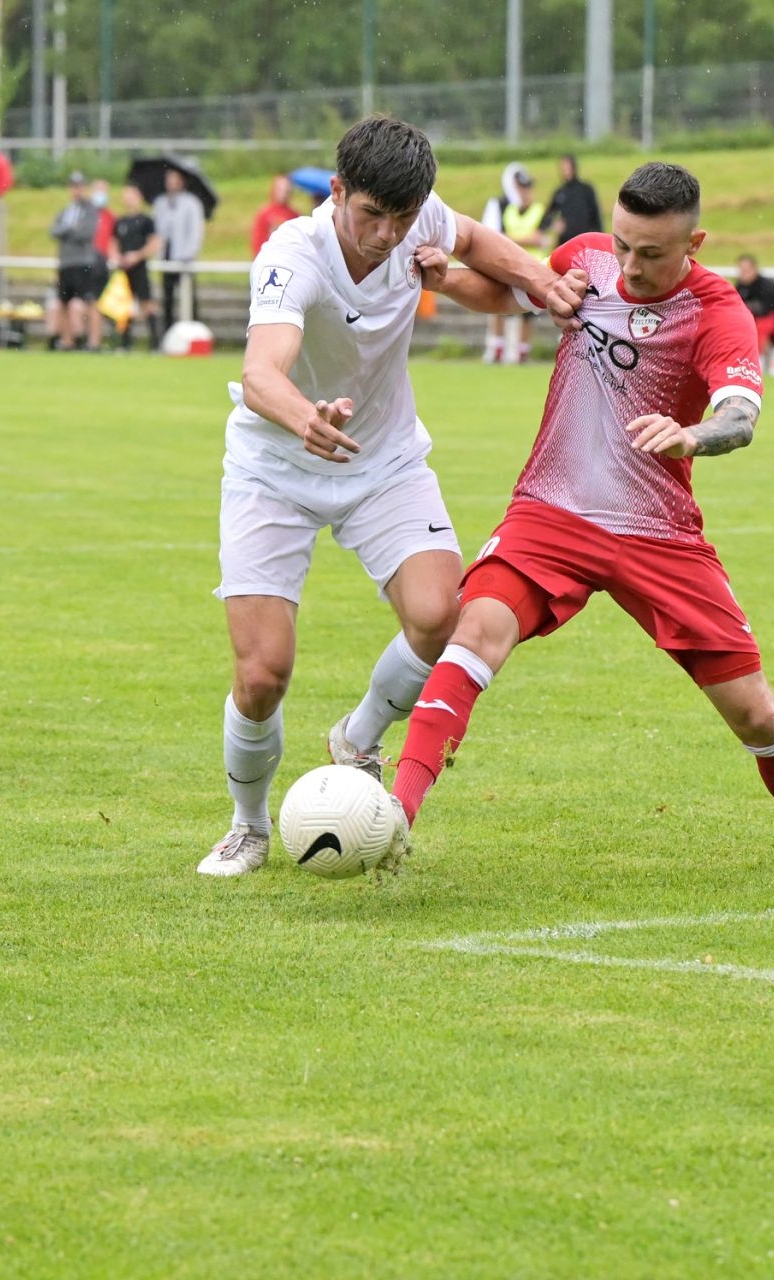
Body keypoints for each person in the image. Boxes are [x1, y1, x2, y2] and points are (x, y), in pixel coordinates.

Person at [387, 161, 774, 875]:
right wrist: (447, 280)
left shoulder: (718, 312)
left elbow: (740, 416)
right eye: (623, 244)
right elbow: (515, 295)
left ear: (694, 243)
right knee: (473, 631)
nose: (630, 267)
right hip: (552, 510)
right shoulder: (588, 258)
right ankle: (394, 818)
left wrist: (692, 435)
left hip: (657, 532)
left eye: (652, 253)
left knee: (755, 712)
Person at [200, 115, 568, 878]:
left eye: (403, 218)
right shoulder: (292, 255)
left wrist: (539, 278)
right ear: (337, 192)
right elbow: (262, 372)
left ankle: (358, 738)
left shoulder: (417, 220)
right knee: (263, 674)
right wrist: (306, 418)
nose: (387, 235)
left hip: (384, 462)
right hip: (276, 466)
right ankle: (248, 827)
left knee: (439, 616)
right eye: (371, 214)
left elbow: (477, 242)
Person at [480, 163, 547, 364]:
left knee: (528, 313)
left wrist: (514, 239)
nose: (525, 193)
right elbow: (501, 236)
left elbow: (539, 238)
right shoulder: (508, 210)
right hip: (511, 265)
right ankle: (498, 348)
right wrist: (525, 239)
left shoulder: (539, 210)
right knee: (501, 306)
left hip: (532, 266)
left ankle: (522, 352)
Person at [50, 172, 104, 351]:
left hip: (83, 262)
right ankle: (67, 341)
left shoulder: (90, 209)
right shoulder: (66, 210)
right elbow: (54, 231)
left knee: (90, 301)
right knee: (63, 302)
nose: (76, 190)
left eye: (79, 186)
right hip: (66, 262)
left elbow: (86, 233)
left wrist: (67, 231)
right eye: (73, 186)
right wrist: (70, 229)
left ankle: (94, 342)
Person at [111, 182, 162, 350]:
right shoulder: (120, 221)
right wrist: (117, 257)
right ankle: (125, 342)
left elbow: (154, 243)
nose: (128, 198)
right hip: (123, 269)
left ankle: (155, 342)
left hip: (139, 268)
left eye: (131, 194)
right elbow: (113, 242)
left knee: (146, 303)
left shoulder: (146, 220)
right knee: (124, 305)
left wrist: (137, 256)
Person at [152, 167, 206, 325]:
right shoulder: (161, 202)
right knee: (167, 295)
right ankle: (167, 328)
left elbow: (195, 231)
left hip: (184, 255)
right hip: (166, 253)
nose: (171, 182)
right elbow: (158, 229)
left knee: (188, 294)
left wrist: (189, 253)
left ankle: (193, 327)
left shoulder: (191, 203)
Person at [734, 253, 774, 352]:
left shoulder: (766, 285)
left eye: (746, 271)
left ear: (754, 269)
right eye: (741, 270)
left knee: (763, 325)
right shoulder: (741, 286)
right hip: (757, 324)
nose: (743, 274)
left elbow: (765, 310)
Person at [539, 153, 602, 247]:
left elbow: (596, 216)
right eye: (562, 167)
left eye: (567, 167)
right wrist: (552, 224)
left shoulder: (586, 189)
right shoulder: (560, 192)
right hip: (565, 242)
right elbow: (548, 215)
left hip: (584, 242)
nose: (564, 170)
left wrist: (599, 240)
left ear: (574, 167)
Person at [250, 174, 301, 256]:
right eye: (281, 189)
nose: (284, 193)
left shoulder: (295, 215)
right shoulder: (265, 214)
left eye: (287, 190)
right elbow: (258, 240)